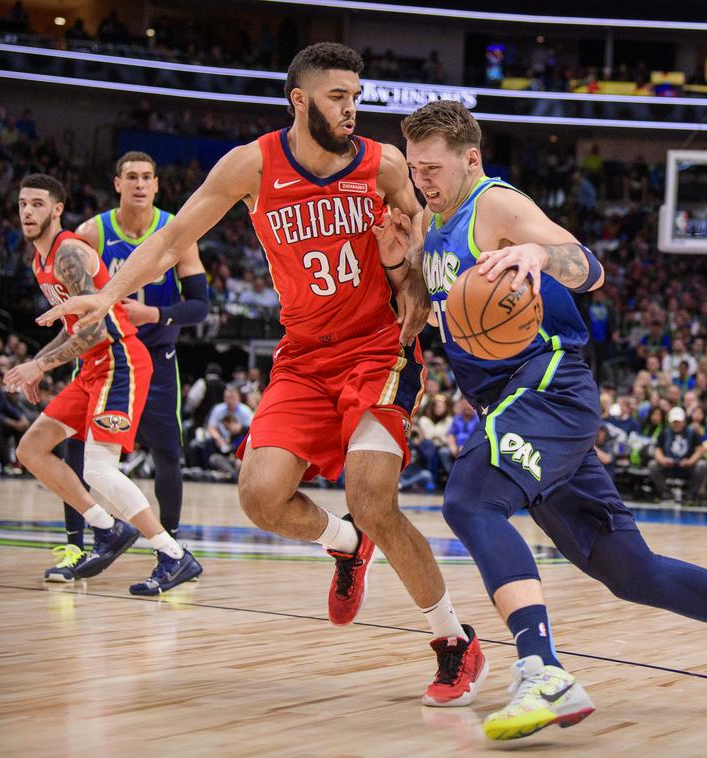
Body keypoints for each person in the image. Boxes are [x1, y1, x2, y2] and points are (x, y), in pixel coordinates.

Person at [36, 44, 485, 707]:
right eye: (339, 96)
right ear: (299, 99)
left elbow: (432, 234)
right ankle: (344, 544)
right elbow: (170, 238)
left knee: (371, 495)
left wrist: (412, 271)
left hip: (375, 347)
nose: (353, 108)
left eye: (357, 95)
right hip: (302, 354)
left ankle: (453, 641)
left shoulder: (385, 165)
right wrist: (107, 296)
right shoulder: (252, 165)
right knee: (260, 496)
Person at [402, 100, 707, 741]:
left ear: (471, 159)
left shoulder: (498, 204)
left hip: (551, 386)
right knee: (632, 573)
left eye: (434, 168)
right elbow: (440, 309)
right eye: (415, 169)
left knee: (471, 497)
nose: (423, 180)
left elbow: (589, 266)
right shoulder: (428, 221)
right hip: (514, 406)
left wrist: (539, 253)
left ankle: (543, 670)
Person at [6, 174, 201, 593]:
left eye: (38, 204)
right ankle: (106, 528)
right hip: (93, 367)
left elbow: (95, 331)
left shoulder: (69, 254)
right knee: (31, 448)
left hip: (120, 360)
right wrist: (38, 361)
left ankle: (172, 554)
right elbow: (77, 325)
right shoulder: (38, 261)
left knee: (98, 468)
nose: (27, 211)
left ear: (57, 210)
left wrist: (41, 368)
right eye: (23, 203)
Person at [53, 150, 209, 581]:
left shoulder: (176, 231)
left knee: (167, 453)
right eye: (131, 177)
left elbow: (200, 306)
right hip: (104, 357)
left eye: (147, 177)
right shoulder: (93, 233)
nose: (140, 184)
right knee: (76, 450)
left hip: (157, 357)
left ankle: (172, 547)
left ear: (157, 184)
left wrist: (154, 316)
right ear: (117, 183)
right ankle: (76, 546)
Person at [647, 406, 707, 503]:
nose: (676, 424)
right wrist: (663, 460)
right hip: (668, 466)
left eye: (678, 421)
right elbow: (657, 449)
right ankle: (666, 494)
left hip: (687, 466)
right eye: (674, 421)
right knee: (653, 465)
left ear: (684, 421)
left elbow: (699, 450)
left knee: (702, 465)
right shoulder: (664, 432)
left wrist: (690, 461)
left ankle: (690, 495)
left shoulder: (692, 433)